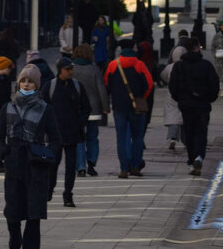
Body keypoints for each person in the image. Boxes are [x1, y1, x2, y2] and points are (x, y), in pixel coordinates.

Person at [0, 63, 61, 249]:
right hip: (14, 164)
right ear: (18, 82)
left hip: (36, 165)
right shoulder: (8, 107)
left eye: (31, 81)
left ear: (37, 85)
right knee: (12, 211)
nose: (27, 84)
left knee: (34, 213)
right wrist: (4, 152)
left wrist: (47, 155)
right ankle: (15, 242)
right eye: (24, 80)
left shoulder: (46, 110)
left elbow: (56, 140)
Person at [41, 57, 90, 207]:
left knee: (71, 166)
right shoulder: (50, 86)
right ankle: (49, 190)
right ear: (60, 70)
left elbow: (86, 107)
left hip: (73, 133)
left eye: (72, 68)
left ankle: (68, 194)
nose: (71, 71)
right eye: (68, 69)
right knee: (53, 164)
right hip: (55, 134)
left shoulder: (77, 86)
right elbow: (43, 107)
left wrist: (80, 123)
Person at [168, 37, 220, 175]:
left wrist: (180, 99)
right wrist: (210, 98)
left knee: (189, 133)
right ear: (197, 48)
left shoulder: (179, 66)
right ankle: (199, 156)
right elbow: (214, 84)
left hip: (186, 105)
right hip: (202, 105)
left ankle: (191, 161)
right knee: (201, 132)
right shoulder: (206, 65)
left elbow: (172, 87)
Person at [104, 36, 154, 178]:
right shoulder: (140, 65)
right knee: (137, 137)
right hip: (136, 106)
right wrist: (141, 98)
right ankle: (135, 166)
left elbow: (106, 84)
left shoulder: (113, 65)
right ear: (133, 48)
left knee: (122, 137)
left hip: (119, 107)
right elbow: (149, 84)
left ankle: (124, 168)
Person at [72, 44, 109, 177]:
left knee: (79, 138)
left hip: (76, 109)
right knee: (92, 137)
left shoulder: (71, 69)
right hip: (93, 109)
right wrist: (106, 106)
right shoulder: (94, 69)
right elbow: (101, 89)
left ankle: (80, 166)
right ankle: (92, 163)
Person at [161, 46, 184, 151]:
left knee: (173, 118)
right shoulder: (186, 65)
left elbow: (163, 76)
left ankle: (172, 138)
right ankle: (186, 140)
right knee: (185, 118)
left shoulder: (170, 67)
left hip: (171, 94)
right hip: (184, 94)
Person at [211, 20, 223, 85]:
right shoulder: (217, 36)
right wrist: (215, 55)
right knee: (220, 75)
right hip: (219, 60)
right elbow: (212, 47)